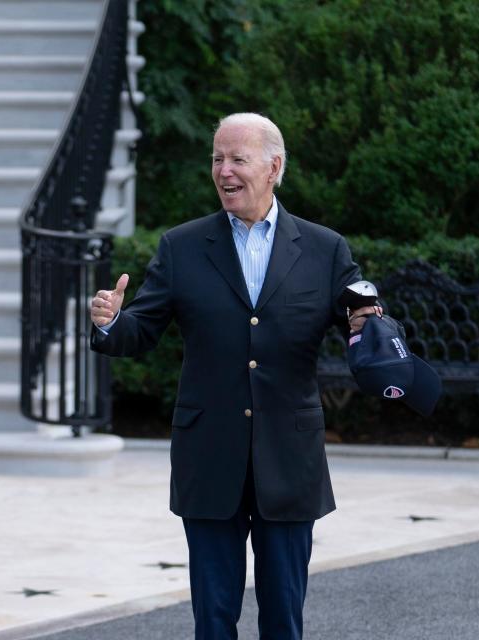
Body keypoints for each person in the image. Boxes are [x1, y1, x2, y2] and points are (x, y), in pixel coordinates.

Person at [90, 113, 379, 639]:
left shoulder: (324, 249)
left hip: (289, 463)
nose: (224, 170)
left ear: (274, 167)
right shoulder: (181, 246)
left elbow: (361, 324)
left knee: (283, 620)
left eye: (236, 159)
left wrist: (371, 326)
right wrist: (111, 323)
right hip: (209, 457)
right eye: (217, 159)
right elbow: (141, 331)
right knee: (213, 619)